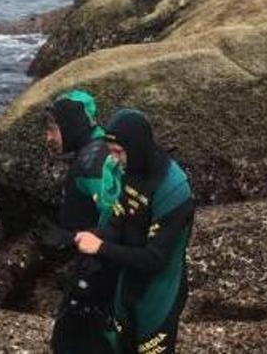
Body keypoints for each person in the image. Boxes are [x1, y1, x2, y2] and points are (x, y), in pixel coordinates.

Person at [74, 109, 194, 354]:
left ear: (136, 147)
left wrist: (100, 247)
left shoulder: (174, 189)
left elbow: (155, 259)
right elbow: (118, 224)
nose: (115, 160)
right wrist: (81, 236)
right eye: (112, 152)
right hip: (128, 286)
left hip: (159, 294)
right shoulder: (130, 171)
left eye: (118, 152)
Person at [40, 90, 123, 354]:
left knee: (71, 340)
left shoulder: (92, 164)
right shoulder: (96, 150)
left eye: (53, 129)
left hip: (103, 273)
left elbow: (123, 222)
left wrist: (69, 238)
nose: (48, 138)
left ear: (71, 125)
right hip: (98, 265)